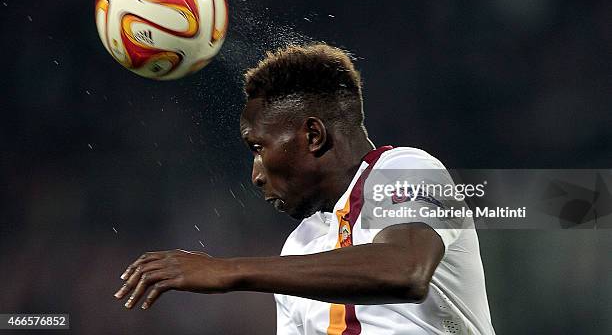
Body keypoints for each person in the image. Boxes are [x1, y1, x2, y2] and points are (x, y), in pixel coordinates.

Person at [113, 43, 495, 334]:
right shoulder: (300, 248)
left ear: (312, 135)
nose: (256, 175)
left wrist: (227, 271)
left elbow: (404, 270)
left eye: (259, 148)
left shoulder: (405, 169)